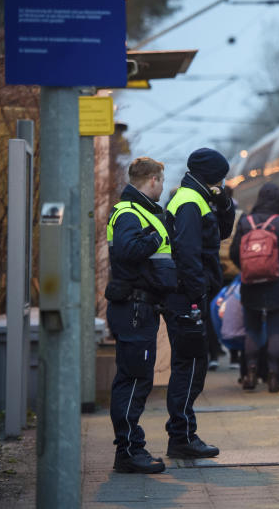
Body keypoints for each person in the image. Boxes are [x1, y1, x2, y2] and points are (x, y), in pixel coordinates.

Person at [105, 157, 176, 474]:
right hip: (133, 309)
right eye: (161, 181)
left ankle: (131, 448)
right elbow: (127, 250)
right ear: (153, 180)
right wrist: (156, 236)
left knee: (136, 379)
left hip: (140, 308)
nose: (161, 187)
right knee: (133, 381)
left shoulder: (140, 212)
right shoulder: (130, 214)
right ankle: (129, 451)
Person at [164, 147, 235, 459]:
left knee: (193, 365)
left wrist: (224, 204)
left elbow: (221, 233)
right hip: (187, 297)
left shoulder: (198, 198)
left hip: (189, 295)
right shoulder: (189, 203)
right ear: (210, 176)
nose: (222, 181)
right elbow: (188, 254)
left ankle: (184, 434)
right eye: (220, 177)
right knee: (190, 366)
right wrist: (197, 298)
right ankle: (181, 437)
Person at [229, 183, 279, 392]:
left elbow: (235, 252)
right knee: (274, 330)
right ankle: (273, 375)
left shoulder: (246, 222)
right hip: (277, 285)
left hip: (250, 284)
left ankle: (250, 372)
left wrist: (247, 269)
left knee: (251, 330)